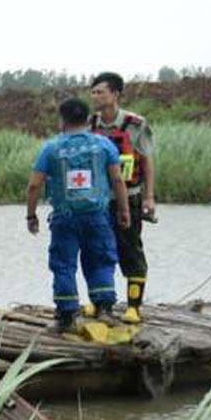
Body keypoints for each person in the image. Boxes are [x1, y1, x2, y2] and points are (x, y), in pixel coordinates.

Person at [26, 97, 131, 331]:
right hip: (98, 216)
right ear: (87, 119)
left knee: (64, 264)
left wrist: (31, 216)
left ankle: (67, 315)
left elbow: (34, 185)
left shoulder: (51, 148)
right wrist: (124, 210)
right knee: (101, 260)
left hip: (65, 218)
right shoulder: (104, 145)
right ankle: (104, 309)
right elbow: (117, 179)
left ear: (62, 120)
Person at [88, 72, 157, 322]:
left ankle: (133, 306)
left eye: (100, 92)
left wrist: (149, 198)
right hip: (98, 199)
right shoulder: (89, 124)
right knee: (97, 249)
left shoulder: (136, 124)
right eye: (93, 92)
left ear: (115, 94)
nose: (95, 97)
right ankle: (99, 303)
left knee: (130, 249)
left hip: (129, 196)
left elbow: (148, 161)